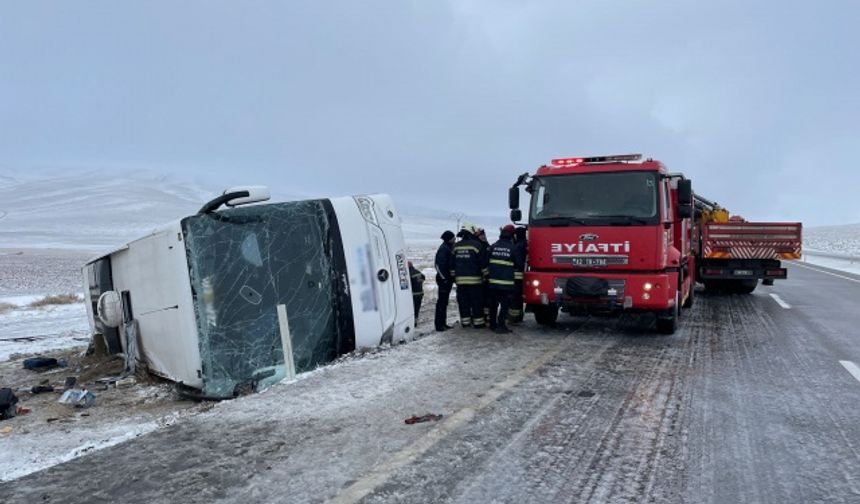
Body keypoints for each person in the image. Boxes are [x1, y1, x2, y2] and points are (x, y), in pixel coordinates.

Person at [487, 224, 522, 333]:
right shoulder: (513, 248)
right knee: (505, 305)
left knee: (493, 305)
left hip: (492, 283)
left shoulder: (492, 247)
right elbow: (519, 264)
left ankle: (493, 325)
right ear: (512, 235)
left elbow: (485, 262)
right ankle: (501, 326)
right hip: (506, 283)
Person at [453, 223, 488, 329]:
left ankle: (465, 322)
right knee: (476, 302)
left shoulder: (456, 246)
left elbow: (451, 264)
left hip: (460, 282)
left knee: (463, 302)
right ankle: (478, 323)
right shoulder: (477, 245)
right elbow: (483, 263)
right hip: (475, 281)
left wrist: (454, 277)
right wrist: (486, 276)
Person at [434, 230, 456, 331]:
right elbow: (438, 265)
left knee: (444, 302)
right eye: (453, 238)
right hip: (443, 280)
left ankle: (443, 323)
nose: (455, 239)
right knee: (442, 303)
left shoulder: (448, 248)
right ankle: (439, 325)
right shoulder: (444, 249)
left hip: (446, 279)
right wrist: (445, 279)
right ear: (449, 239)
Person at [508, 226, 528, 324]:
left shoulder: (518, 246)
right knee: (519, 297)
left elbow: (518, 262)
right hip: (524, 275)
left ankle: (513, 318)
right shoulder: (526, 244)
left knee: (514, 297)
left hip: (516, 276)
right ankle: (519, 316)